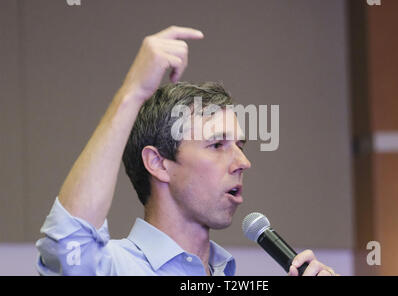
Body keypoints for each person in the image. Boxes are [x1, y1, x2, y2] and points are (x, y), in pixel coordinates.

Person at [36, 26, 337, 276]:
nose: (243, 162)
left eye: (240, 146)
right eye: (217, 145)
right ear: (159, 163)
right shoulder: (114, 268)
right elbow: (67, 241)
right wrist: (133, 93)